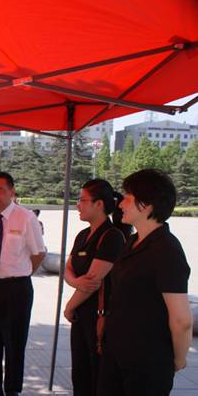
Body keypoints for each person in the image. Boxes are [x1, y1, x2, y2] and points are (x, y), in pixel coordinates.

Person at [97, 169, 192, 396]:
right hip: (117, 355)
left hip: (147, 363)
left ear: (147, 205)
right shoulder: (133, 242)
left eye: (127, 198)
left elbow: (182, 320)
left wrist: (178, 359)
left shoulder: (167, 250)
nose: (120, 204)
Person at [0, 171, 46, 396]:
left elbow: (38, 253)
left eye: (0, 190)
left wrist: (20, 274)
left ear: (12, 192)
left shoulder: (26, 218)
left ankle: (12, 389)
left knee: (14, 342)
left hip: (16, 289)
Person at [63, 179, 130, 396]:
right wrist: (75, 282)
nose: (78, 205)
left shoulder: (112, 236)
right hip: (81, 315)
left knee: (97, 375)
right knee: (80, 372)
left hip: (100, 317)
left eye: (82, 200)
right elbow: (68, 268)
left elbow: (92, 281)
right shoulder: (83, 235)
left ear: (99, 204)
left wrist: (69, 307)